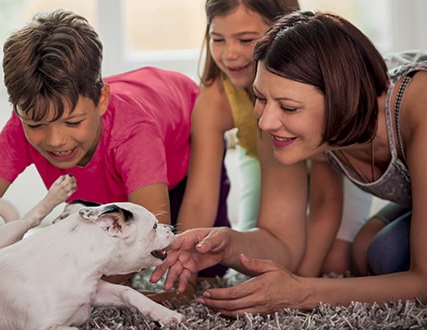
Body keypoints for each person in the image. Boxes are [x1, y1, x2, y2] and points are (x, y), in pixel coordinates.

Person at [0, 10, 231, 315]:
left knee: (195, 265)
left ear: (101, 100)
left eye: (72, 122)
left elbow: (145, 235)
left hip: (185, 153)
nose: (56, 141)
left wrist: (65, 285)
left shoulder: (134, 132)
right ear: (19, 112)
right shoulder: (22, 125)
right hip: (108, 190)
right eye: (37, 125)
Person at [152, 10, 427, 316]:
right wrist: (228, 244)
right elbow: (282, 241)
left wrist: (301, 292)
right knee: (368, 251)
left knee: (386, 257)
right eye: (260, 98)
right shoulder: (304, 127)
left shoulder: (419, 107)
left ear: (342, 98)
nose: (267, 122)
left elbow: (423, 284)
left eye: (289, 107)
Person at [179, 0, 371, 278]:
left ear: (284, 33)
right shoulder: (218, 99)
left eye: (246, 40)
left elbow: (325, 199)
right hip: (268, 161)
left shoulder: (319, 90)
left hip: (331, 162)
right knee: (254, 261)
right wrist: (185, 265)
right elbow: (199, 201)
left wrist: (301, 283)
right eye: (217, 39)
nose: (230, 54)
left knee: (333, 263)